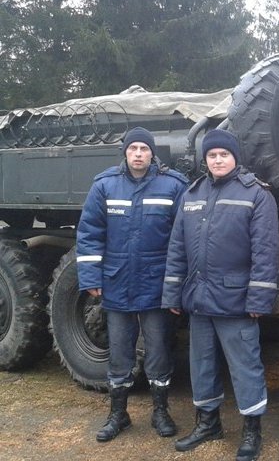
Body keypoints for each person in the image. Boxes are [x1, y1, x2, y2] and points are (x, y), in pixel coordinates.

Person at [162, 128, 279, 461]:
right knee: (201, 365)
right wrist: (172, 294)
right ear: (205, 160)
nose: (217, 160)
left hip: (235, 302)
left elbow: (266, 251)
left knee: (245, 367)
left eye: (223, 154)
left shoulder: (256, 194)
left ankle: (251, 431)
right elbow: (177, 248)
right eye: (211, 155)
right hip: (199, 300)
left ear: (235, 157)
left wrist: (258, 299)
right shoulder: (192, 193)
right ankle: (208, 423)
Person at [76, 126, 188, 442]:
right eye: (133, 148)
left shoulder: (173, 185)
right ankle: (118, 415)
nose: (138, 154)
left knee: (158, 352)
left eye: (144, 148)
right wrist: (89, 277)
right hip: (117, 283)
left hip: (156, 287)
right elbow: (89, 234)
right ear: (125, 153)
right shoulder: (105, 185)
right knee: (119, 353)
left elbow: (183, 238)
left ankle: (160, 412)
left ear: (153, 154)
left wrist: (178, 283)